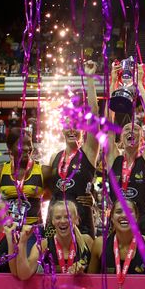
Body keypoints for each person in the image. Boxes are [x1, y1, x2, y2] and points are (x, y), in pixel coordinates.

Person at [47, 60, 99, 237]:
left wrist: (90, 79)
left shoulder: (89, 152)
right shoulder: (54, 156)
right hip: (54, 222)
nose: (71, 129)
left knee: (82, 265)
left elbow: (95, 115)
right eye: (67, 125)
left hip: (82, 222)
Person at [105, 64, 145, 236]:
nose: (131, 131)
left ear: (142, 139)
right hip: (117, 221)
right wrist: (113, 82)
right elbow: (108, 122)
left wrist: (141, 83)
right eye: (127, 129)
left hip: (142, 223)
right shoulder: (113, 158)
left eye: (136, 130)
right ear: (120, 138)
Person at [88, 200, 145, 289]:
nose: (124, 215)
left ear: (137, 217)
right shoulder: (100, 244)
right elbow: (90, 283)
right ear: (112, 218)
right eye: (118, 212)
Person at [13, 200, 93, 279]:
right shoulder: (43, 245)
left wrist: (82, 275)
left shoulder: (87, 241)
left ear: (76, 219)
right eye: (58, 217)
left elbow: (96, 276)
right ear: (53, 221)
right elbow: (24, 275)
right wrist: (23, 242)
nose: (62, 221)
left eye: (67, 217)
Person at [0, 127, 51, 226]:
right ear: (10, 148)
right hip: (7, 230)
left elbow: (54, 197)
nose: (26, 148)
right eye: (21, 144)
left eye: (29, 144)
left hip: (34, 231)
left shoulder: (44, 171)